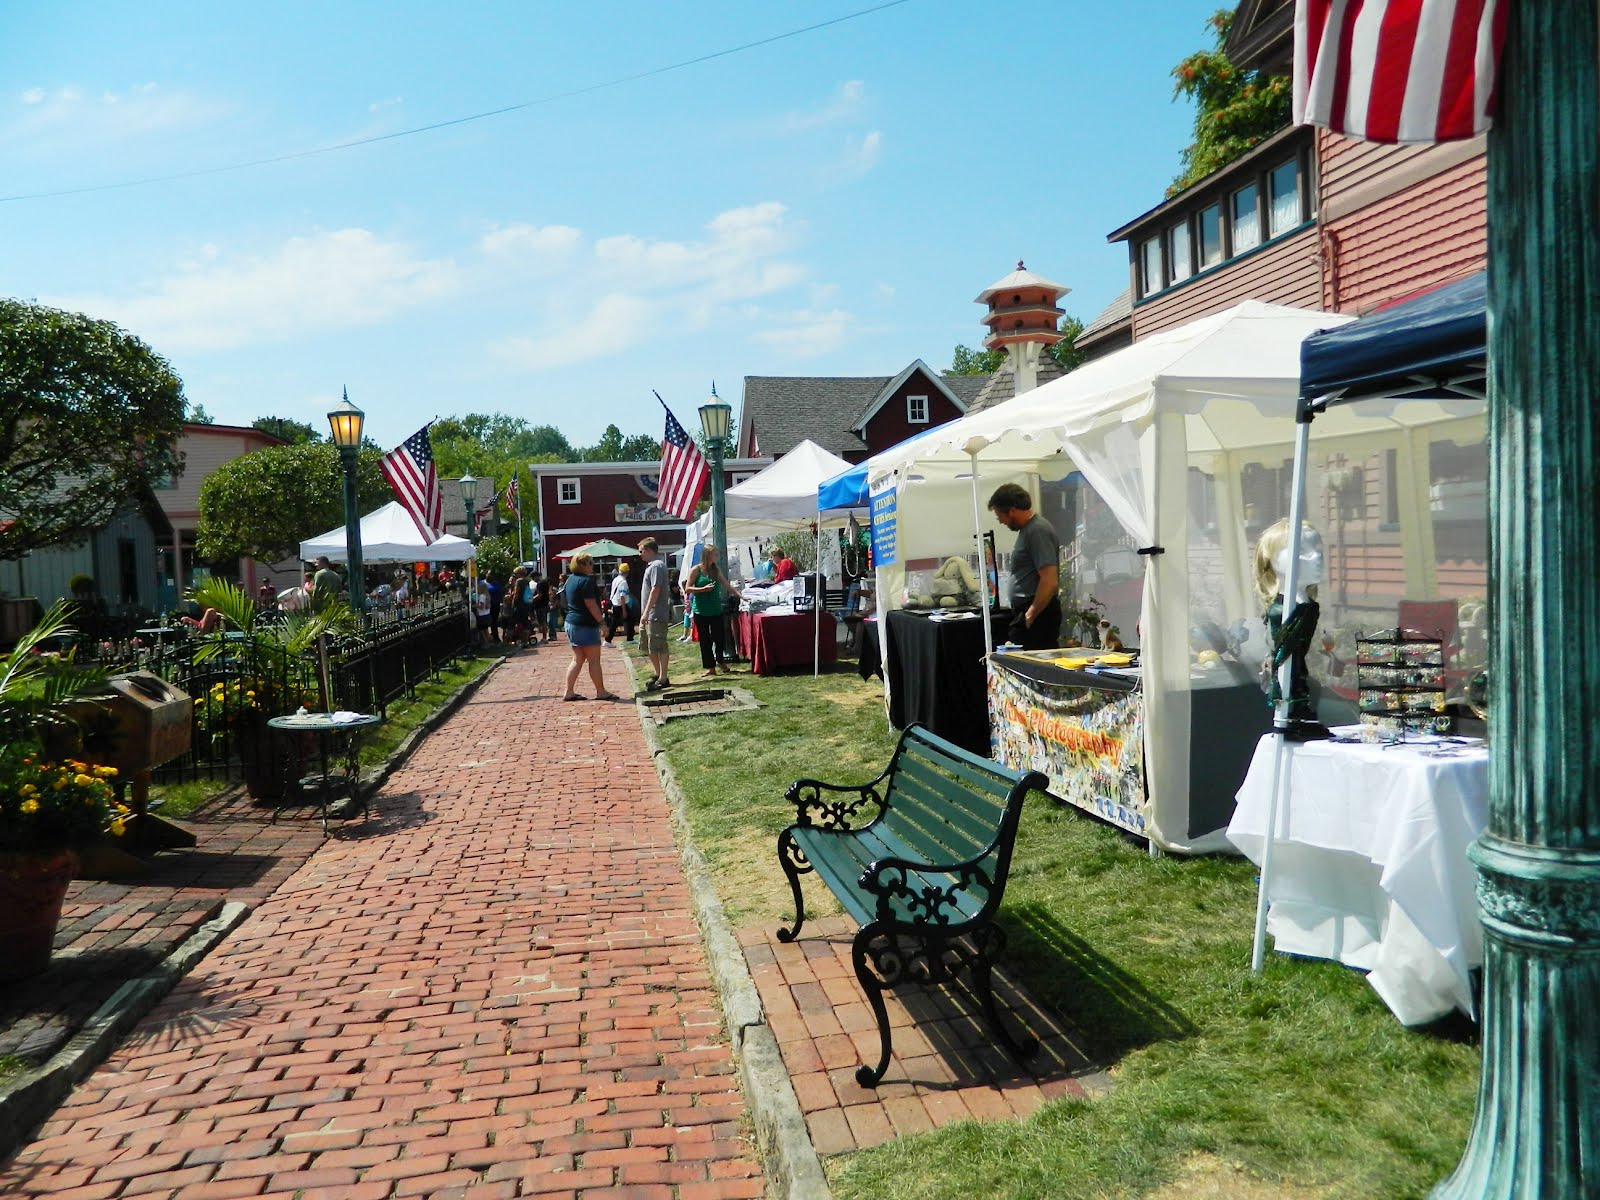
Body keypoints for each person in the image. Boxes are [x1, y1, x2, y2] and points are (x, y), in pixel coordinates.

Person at [988, 483, 1061, 651]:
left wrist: (1030, 614)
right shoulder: (1028, 530)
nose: (1000, 521)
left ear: (1012, 511)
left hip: (1038, 614)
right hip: (1029, 611)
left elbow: (1049, 580)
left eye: (1000, 516)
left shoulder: (1037, 531)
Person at [562, 553, 617, 701]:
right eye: (590, 563)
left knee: (577, 659)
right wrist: (602, 623)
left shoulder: (570, 580)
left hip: (571, 622)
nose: (592, 565)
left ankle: (569, 691)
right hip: (585, 624)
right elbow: (591, 604)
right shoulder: (586, 581)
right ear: (582, 565)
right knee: (594, 660)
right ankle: (601, 691)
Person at [685, 545, 733, 677]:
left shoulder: (715, 570)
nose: (716, 557)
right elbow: (688, 588)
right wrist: (702, 589)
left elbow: (726, 585)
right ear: (707, 555)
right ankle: (710, 667)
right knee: (705, 640)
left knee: (719, 638)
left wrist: (740, 595)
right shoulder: (696, 570)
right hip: (701, 610)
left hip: (716, 609)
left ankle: (720, 661)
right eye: (714, 554)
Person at [638, 538, 673, 691]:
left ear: (650, 550)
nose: (640, 554)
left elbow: (656, 589)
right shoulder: (650, 566)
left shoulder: (657, 565)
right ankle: (658, 674)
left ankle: (663, 678)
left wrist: (646, 612)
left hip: (656, 614)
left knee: (659, 646)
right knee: (649, 647)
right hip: (648, 615)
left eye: (641, 551)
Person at [605, 563, 635, 643]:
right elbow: (622, 596)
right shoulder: (623, 582)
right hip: (621, 604)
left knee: (615, 622)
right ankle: (630, 638)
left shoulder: (616, 579)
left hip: (615, 603)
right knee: (628, 620)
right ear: (627, 572)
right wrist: (624, 610)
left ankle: (608, 640)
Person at [530, 572, 551, 644]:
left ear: (536, 577)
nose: (533, 580)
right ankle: (545, 636)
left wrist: (531, 599)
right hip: (545, 604)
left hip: (540, 605)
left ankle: (544, 637)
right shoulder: (545, 583)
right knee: (544, 620)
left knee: (542, 622)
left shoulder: (539, 584)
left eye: (533, 578)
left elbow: (539, 595)